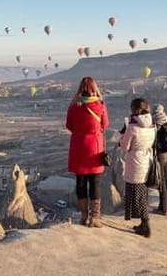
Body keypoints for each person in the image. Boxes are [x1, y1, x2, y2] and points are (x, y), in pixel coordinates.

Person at [65, 77, 109, 227]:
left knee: (81, 182)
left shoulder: (74, 106)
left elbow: (69, 125)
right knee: (95, 183)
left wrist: (80, 131)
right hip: (95, 148)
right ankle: (95, 217)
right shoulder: (100, 105)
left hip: (78, 148)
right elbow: (105, 124)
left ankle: (83, 216)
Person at [120, 98, 157, 237]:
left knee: (138, 196)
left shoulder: (132, 128)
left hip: (135, 162)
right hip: (146, 160)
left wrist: (122, 136)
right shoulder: (152, 125)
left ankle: (146, 225)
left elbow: (125, 147)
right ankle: (143, 223)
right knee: (143, 194)